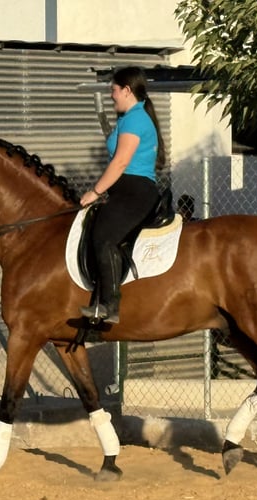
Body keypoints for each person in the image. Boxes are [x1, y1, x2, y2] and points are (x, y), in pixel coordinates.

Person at [79, 66, 166, 324]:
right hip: (126, 190)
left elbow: (120, 163)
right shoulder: (129, 117)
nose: (111, 95)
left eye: (113, 90)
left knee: (104, 237)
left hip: (135, 191)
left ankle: (110, 306)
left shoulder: (135, 120)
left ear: (127, 90)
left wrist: (94, 192)